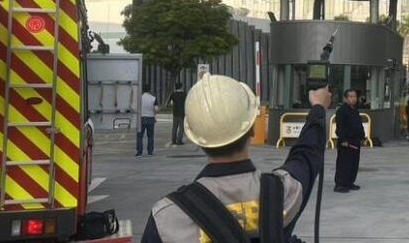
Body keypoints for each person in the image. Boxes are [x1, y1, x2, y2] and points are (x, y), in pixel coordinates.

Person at [141, 74, 331, 242]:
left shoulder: (168, 218)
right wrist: (318, 108)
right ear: (252, 129)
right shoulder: (284, 193)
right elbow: (306, 154)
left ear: (198, 140)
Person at [334, 89, 364, 193]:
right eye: (351, 96)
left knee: (354, 163)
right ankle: (339, 184)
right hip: (346, 142)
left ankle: (349, 182)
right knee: (344, 163)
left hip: (356, 140)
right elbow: (340, 127)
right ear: (345, 98)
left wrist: (362, 137)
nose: (353, 98)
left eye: (355, 96)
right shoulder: (342, 111)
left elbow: (359, 125)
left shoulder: (355, 110)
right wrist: (343, 140)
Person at [136, 85, 157, 157]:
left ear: (143, 90)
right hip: (150, 118)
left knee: (139, 136)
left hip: (141, 118)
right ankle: (150, 152)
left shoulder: (139, 98)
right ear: (149, 90)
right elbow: (156, 109)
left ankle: (139, 152)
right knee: (150, 136)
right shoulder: (153, 98)